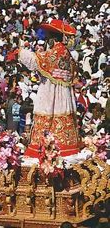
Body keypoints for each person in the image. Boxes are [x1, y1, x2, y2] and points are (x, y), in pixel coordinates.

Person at [19, 19, 79, 157]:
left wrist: (21, 51)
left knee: (49, 115)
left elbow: (37, 61)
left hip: (51, 91)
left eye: (47, 37)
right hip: (61, 91)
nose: (46, 40)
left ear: (53, 37)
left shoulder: (57, 51)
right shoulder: (65, 52)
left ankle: (46, 147)